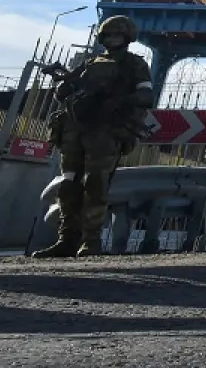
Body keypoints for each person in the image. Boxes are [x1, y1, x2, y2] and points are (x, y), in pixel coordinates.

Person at [32, 15, 155, 258]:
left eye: (117, 35)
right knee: (68, 184)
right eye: (108, 35)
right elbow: (63, 93)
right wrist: (64, 87)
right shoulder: (89, 63)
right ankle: (66, 240)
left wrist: (118, 101)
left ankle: (91, 241)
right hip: (75, 130)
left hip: (105, 132)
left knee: (95, 185)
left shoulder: (133, 64)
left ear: (127, 37)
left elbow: (146, 96)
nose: (112, 39)